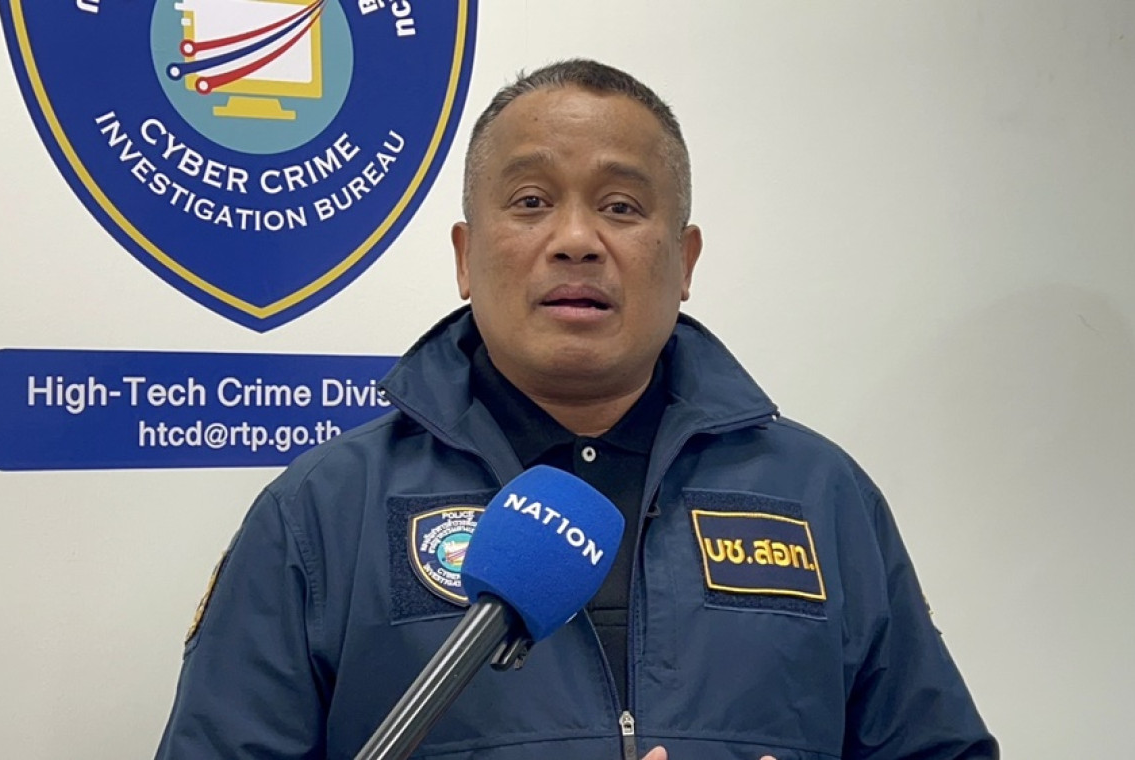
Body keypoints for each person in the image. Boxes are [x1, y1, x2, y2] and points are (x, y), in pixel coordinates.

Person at [155, 59, 998, 759]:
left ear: (685, 260)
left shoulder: (821, 497)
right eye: (530, 201)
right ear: (465, 256)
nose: (576, 240)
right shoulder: (321, 511)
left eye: (622, 207)